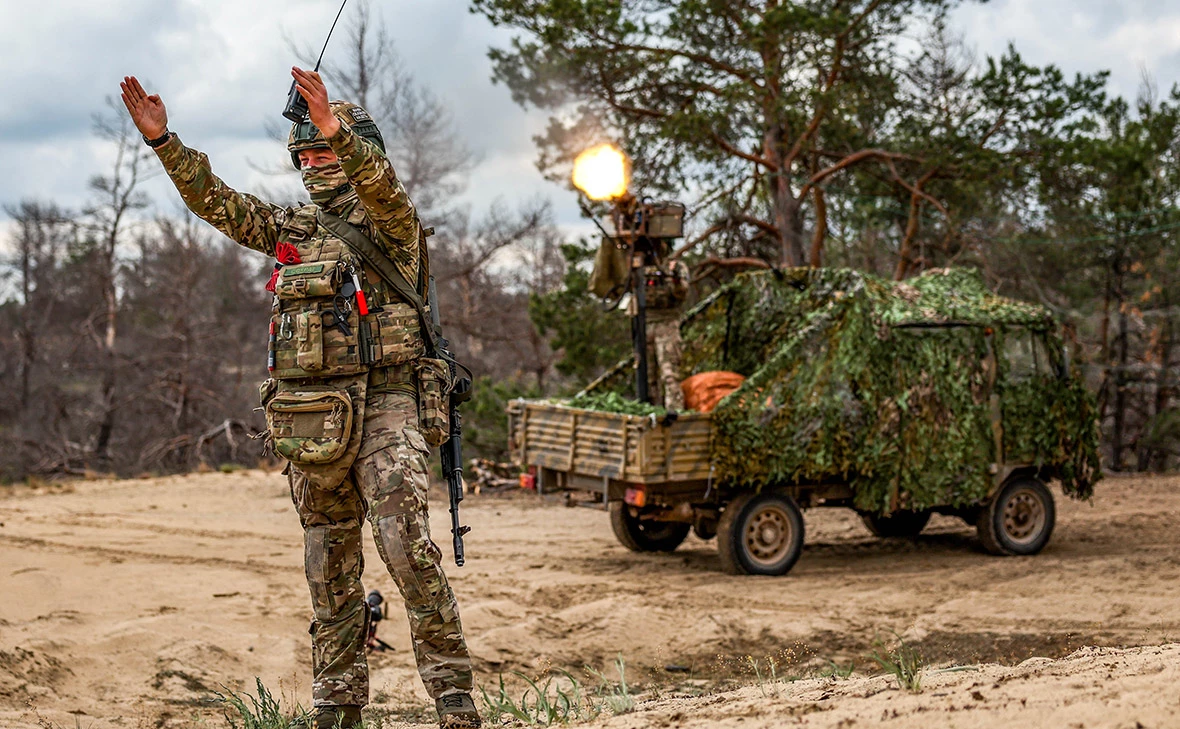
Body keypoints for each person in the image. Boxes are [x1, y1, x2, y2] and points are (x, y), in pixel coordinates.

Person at [119, 69, 481, 729]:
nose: (314, 164)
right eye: (305, 155)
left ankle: (454, 700)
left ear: (354, 150)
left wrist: (340, 133)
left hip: (389, 404)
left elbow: (382, 185)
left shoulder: (392, 226)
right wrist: (165, 142)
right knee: (328, 560)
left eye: (325, 152)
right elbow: (221, 204)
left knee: (406, 546)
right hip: (317, 418)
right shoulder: (295, 228)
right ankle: (338, 706)